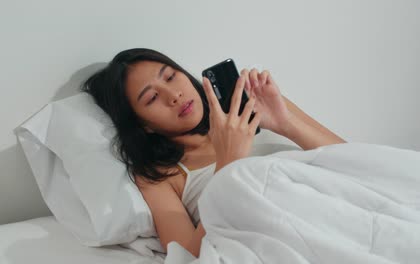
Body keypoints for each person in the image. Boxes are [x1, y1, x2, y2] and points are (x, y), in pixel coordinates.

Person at [81, 48, 346, 258]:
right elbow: (187, 256)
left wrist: (285, 123)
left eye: (171, 76)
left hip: (333, 210)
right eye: (151, 98)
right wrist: (228, 164)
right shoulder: (160, 176)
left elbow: (355, 158)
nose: (173, 95)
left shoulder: (252, 104)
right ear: (143, 125)